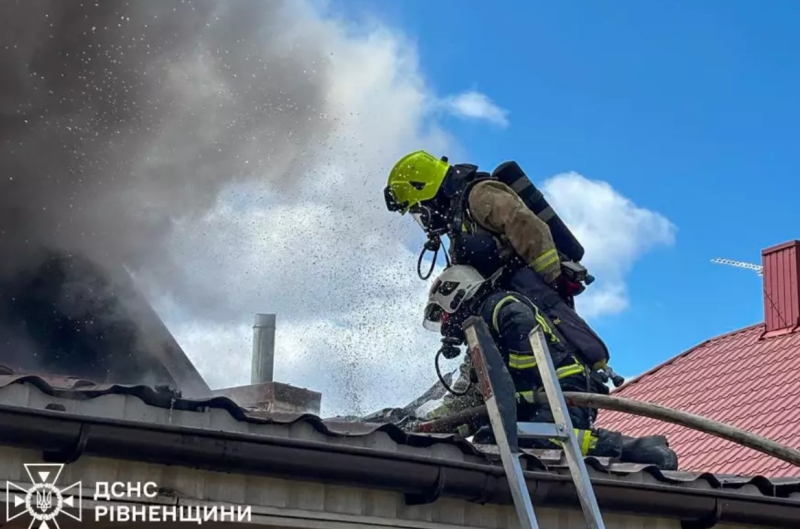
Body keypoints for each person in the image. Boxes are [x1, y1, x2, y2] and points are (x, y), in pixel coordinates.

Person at [384, 150, 619, 416]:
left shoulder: (480, 194)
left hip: (528, 294)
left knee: (554, 349)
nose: (424, 219)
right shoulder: (460, 222)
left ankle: (575, 390)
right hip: (502, 305)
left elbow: (529, 228)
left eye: (419, 209)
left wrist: (551, 281)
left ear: (424, 188)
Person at [423, 264, 679, 470]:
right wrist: (429, 423)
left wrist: (510, 395)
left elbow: (526, 355)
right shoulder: (477, 337)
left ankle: (639, 449)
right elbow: (471, 400)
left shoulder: (500, 306)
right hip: (537, 399)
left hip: (564, 391)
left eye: (442, 315)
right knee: (490, 436)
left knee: (548, 439)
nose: (445, 325)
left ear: (456, 296)